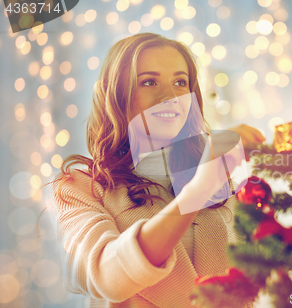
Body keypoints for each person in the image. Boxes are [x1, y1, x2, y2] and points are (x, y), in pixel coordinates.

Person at [46, 32, 265, 307]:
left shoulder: (222, 180)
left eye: (180, 82)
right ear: (115, 93)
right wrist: (199, 190)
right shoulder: (78, 188)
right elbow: (108, 278)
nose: (170, 96)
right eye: (149, 82)